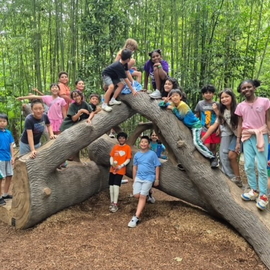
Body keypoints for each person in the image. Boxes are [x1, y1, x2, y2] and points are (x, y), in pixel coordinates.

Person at [235, 79, 270, 210]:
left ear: (254, 88)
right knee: (248, 165)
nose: (246, 90)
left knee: (261, 167)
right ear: (241, 91)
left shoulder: (265, 102)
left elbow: (268, 120)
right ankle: (254, 190)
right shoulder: (240, 106)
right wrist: (238, 141)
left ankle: (263, 196)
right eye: (243, 88)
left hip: (261, 135)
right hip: (247, 136)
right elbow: (239, 124)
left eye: (249, 87)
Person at [159, 89, 215, 166]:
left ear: (180, 97)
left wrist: (173, 109)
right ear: (170, 98)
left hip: (195, 125)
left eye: (176, 96)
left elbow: (180, 117)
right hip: (189, 126)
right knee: (188, 144)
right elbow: (161, 106)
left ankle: (212, 157)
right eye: (173, 96)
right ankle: (187, 163)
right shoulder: (173, 104)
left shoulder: (182, 105)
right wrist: (165, 102)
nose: (175, 97)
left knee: (196, 142)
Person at [201, 89, 242, 187]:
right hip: (234, 135)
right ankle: (231, 176)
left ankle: (235, 178)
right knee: (224, 154)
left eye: (227, 96)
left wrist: (238, 140)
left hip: (243, 136)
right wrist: (203, 138)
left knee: (231, 155)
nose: (224, 99)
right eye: (222, 98)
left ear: (232, 97)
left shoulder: (238, 108)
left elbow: (242, 125)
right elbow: (215, 125)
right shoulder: (223, 111)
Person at [128, 136, 161, 228]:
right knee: (136, 195)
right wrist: (134, 180)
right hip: (139, 177)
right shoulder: (137, 155)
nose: (143, 143)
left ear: (149, 144)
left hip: (149, 177)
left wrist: (157, 179)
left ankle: (136, 217)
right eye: (142, 142)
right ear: (140, 143)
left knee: (142, 197)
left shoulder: (152, 154)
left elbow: (157, 166)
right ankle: (149, 194)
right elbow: (134, 167)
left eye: (145, 142)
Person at [195, 85, 220, 167]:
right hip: (204, 129)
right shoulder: (200, 103)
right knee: (206, 145)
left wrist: (219, 128)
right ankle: (207, 161)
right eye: (206, 93)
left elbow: (219, 117)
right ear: (203, 94)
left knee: (213, 146)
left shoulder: (216, 104)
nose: (208, 94)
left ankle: (214, 160)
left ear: (213, 94)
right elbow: (197, 115)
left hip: (214, 129)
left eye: (210, 93)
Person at [108, 132, 132, 213]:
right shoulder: (115, 147)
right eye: (120, 138)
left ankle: (115, 203)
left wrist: (121, 165)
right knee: (111, 185)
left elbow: (128, 158)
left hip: (120, 170)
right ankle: (111, 202)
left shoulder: (127, 148)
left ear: (125, 139)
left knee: (116, 185)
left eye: (123, 138)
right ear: (118, 139)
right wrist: (112, 164)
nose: (121, 139)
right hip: (112, 169)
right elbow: (111, 156)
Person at [0, 114, 15, 206]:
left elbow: (11, 145)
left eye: (4, 121)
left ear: (7, 122)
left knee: (9, 175)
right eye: (0, 121)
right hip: (0, 159)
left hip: (8, 158)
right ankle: (0, 196)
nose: (2, 123)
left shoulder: (8, 133)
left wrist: (13, 157)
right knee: (0, 178)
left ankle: (5, 194)